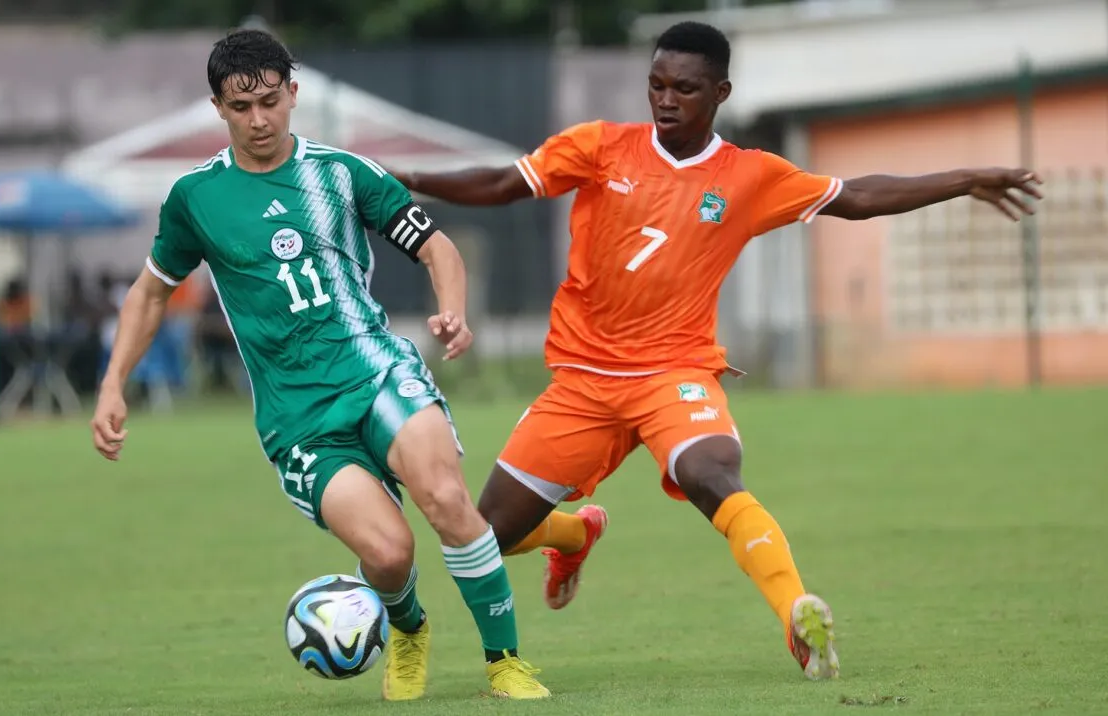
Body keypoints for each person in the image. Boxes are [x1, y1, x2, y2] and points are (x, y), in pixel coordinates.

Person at [394, 20, 1043, 681]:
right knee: (478, 537)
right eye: (656, 84)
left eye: (685, 87)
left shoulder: (749, 176)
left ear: (720, 92)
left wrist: (963, 179)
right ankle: (570, 533)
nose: (666, 99)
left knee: (712, 474)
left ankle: (799, 618)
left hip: (675, 374)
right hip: (584, 382)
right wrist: (401, 178)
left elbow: (860, 197)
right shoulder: (600, 147)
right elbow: (504, 183)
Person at [89, 28, 549, 701]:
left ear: (293, 94)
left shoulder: (341, 172)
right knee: (389, 555)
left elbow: (437, 247)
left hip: (377, 372)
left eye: (270, 102)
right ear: (218, 107)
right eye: (241, 108)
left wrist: (452, 309)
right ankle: (410, 629)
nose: (258, 120)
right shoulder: (197, 198)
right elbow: (150, 292)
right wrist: (111, 385)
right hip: (298, 418)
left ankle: (504, 660)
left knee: (447, 500)